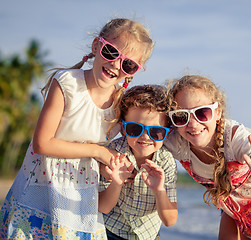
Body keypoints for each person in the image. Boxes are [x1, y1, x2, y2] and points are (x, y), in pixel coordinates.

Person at [0, 18, 154, 239]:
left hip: (80, 201)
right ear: (96, 46)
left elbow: (136, 138)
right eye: (111, 52)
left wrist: (111, 168)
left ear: (136, 70)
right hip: (41, 189)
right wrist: (99, 151)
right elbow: (42, 143)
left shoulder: (121, 104)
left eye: (128, 63)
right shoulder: (68, 83)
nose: (116, 65)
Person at [165, 75, 251, 240]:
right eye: (182, 116)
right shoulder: (178, 142)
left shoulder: (237, 140)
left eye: (202, 113)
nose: (193, 123)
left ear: (218, 113)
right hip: (239, 205)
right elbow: (143, 137)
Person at [98, 84, 178, 240]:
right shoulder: (114, 152)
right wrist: (116, 182)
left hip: (149, 235)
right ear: (123, 128)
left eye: (156, 131)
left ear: (166, 132)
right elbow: (103, 207)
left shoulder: (166, 161)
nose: (146, 137)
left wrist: (159, 190)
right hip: (111, 231)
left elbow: (170, 220)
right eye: (135, 129)